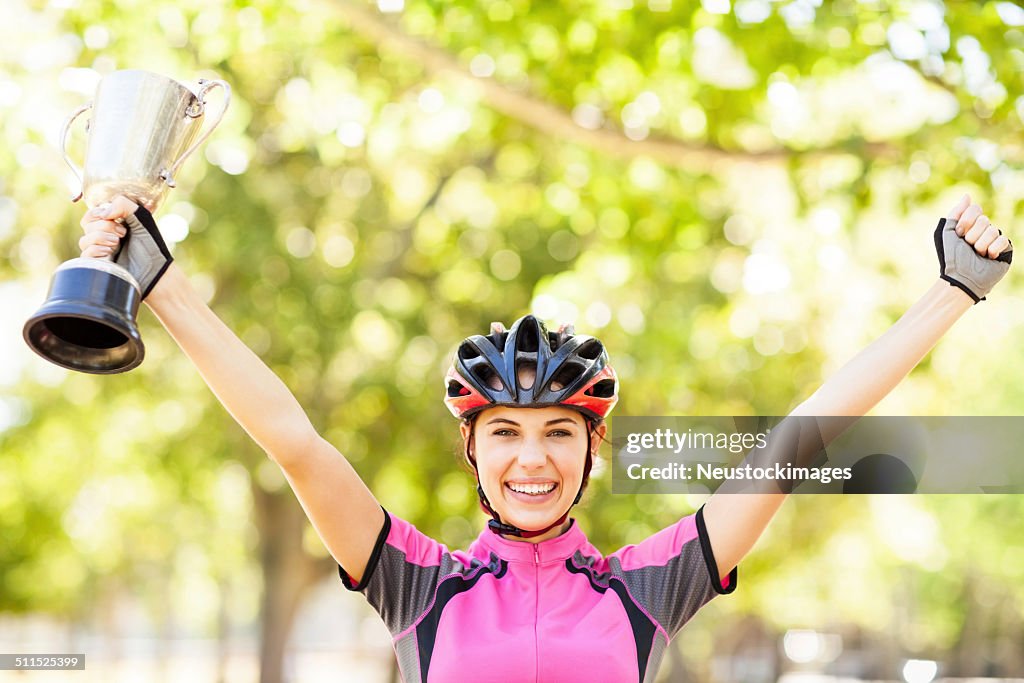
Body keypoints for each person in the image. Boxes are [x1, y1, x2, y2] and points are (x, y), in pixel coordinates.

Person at [78, 192, 1011, 682]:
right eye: (507, 433)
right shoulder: (419, 584)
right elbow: (298, 443)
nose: (533, 457)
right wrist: (160, 283)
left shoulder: (650, 585)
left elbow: (801, 438)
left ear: (592, 449)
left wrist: (952, 292)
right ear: (473, 451)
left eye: (561, 431)